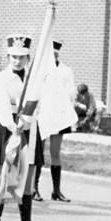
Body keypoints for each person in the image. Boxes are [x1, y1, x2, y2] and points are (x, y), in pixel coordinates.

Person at [0, 35, 45, 221]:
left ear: (28, 57)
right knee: (0, 178)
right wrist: (13, 126)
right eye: (13, 57)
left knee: (27, 182)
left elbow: (39, 104)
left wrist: (26, 123)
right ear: (8, 56)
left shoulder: (34, 79)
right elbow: (2, 105)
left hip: (29, 130)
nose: (17, 61)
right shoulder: (1, 78)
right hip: (6, 129)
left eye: (21, 57)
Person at [35, 40, 76, 202]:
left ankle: (56, 190)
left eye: (56, 53)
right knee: (39, 152)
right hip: (43, 115)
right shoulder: (41, 70)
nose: (53, 56)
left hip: (58, 115)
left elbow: (71, 92)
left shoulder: (66, 70)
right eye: (51, 53)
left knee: (55, 153)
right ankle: (34, 188)